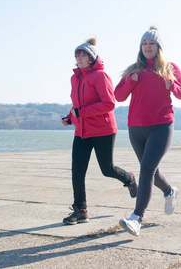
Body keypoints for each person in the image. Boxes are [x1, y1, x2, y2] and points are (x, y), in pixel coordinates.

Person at [114, 26, 181, 236]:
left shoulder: (170, 68)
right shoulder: (133, 70)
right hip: (136, 128)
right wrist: (130, 81)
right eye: (145, 43)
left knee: (146, 170)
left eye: (152, 43)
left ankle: (137, 218)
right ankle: (169, 191)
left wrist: (172, 84)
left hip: (161, 126)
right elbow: (118, 96)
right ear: (141, 47)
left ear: (159, 47)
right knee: (150, 170)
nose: (148, 46)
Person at [61, 37, 137, 225]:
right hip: (81, 131)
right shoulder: (75, 77)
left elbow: (109, 104)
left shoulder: (100, 76)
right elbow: (78, 104)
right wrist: (71, 117)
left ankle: (129, 178)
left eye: (84, 55)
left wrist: (81, 112)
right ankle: (80, 210)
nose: (79, 57)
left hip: (103, 130)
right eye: (77, 55)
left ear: (92, 58)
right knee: (77, 171)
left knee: (107, 169)